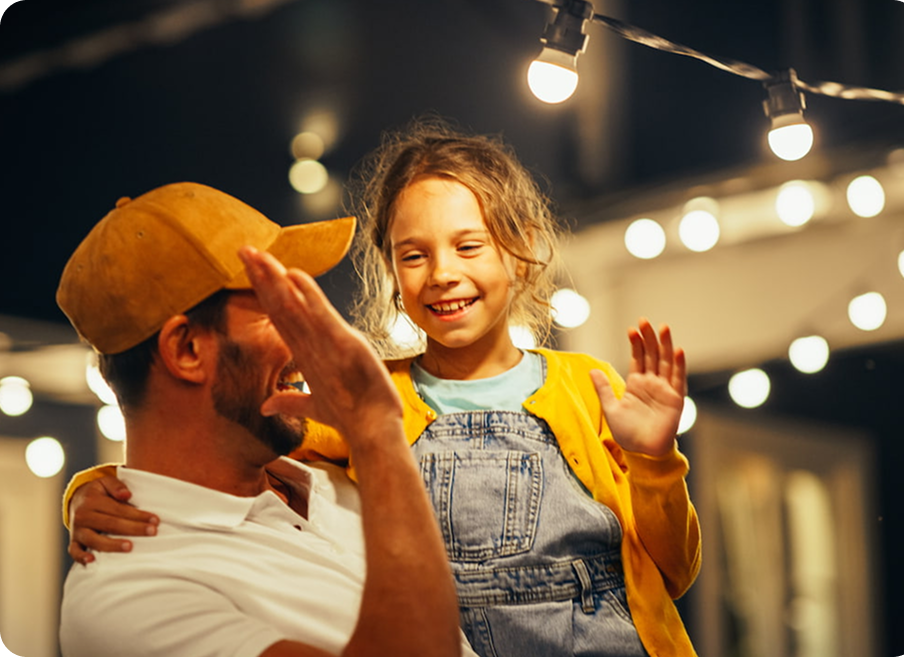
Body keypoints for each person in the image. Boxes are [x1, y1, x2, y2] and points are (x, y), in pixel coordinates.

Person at [67, 120, 702, 656]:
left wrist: (654, 464)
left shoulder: (324, 481)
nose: (443, 273)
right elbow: (185, 467)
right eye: (273, 305)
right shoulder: (133, 595)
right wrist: (102, 489)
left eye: (469, 245)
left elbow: (665, 570)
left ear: (522, 251)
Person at [55, 181, 473, 657]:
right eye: (279, 310)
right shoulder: (124, 599)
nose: (309, 340)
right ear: (187, 349)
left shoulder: (331, 474)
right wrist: (377, 433)